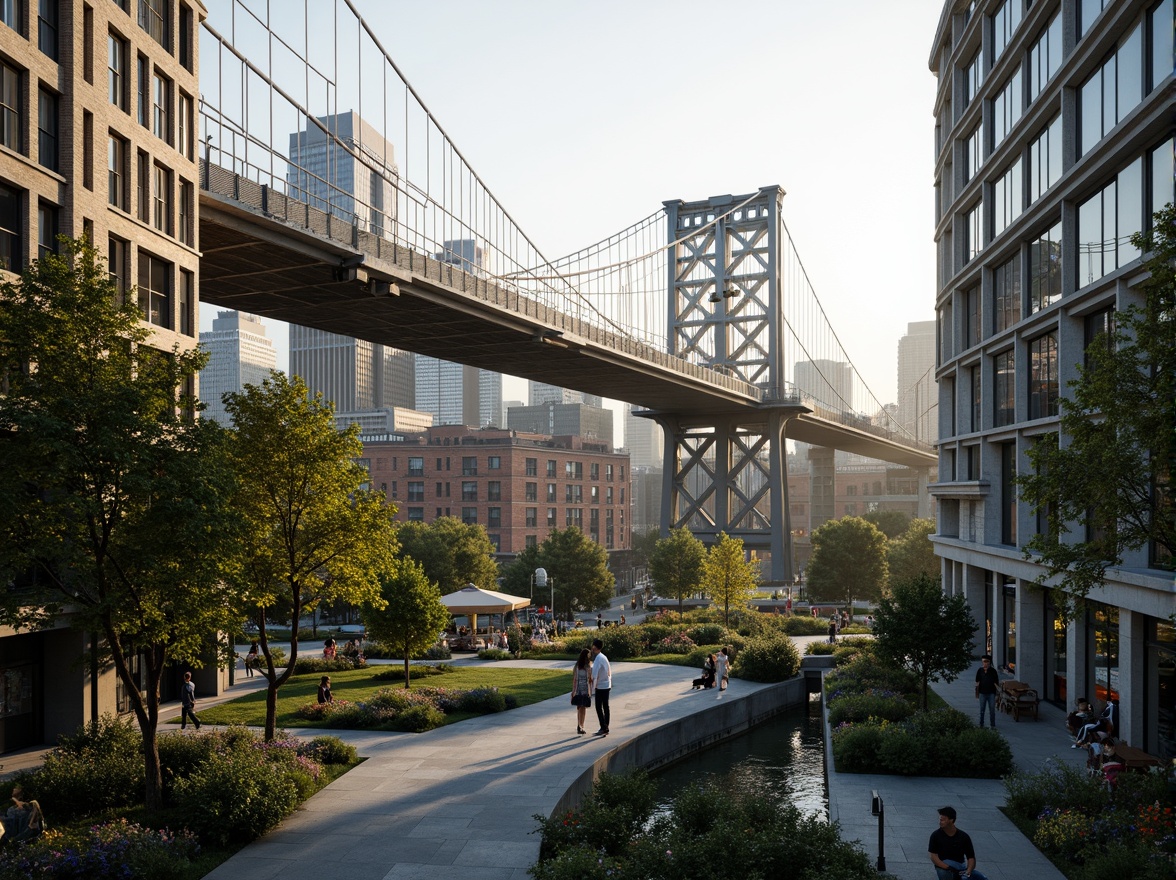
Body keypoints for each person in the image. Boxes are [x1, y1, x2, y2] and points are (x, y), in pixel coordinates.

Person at [928, 806, 988, 880]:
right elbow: (933, 856)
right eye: (940, 819)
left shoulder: (963, 836)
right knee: (944, 874)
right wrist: (948, 867)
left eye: (943, 820)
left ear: (951, 820)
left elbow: (971, 858)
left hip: (961, 867)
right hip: (943, 866)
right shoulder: (935, 835)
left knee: (982, 878)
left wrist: (968, 872)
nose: (940, 822)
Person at [590, 638, 611, 736]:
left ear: (595, 647)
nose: (592, 648)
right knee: (605, 706)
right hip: (607, 684)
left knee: (599, 707)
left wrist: (592, 689)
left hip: (601, 686)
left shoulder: (598, 658)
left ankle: (603, 727)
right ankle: (606, 726)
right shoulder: (604, 657)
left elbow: (594, 675)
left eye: (593, 646)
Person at [570, 648, 594, 734]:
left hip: (579, 689)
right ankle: (581, 725)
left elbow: (575, 679)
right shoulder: (588, 666)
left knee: (580, 707)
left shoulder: (577, 666)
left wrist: (573, 691)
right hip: (584, 689)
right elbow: (590, 679)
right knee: (582, 708)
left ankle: (579, 725)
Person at [974, 655, 999, 728]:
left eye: (985, 661)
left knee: (992, 710)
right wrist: (977, 692)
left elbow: (996, 682)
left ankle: (992, 724)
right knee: (982, 710)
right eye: (983, 661)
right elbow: (977, 681)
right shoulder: (980, 670)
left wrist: (997, 693)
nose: (984, 663)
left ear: (989, 662)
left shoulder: (993, 671)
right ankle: (981, 724)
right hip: (982, 693)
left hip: (991, 693)